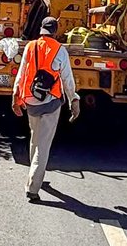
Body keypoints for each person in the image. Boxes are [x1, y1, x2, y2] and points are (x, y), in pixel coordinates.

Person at [12, 15, 80, 202]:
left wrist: (15, 97)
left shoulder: (30, 46)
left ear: (41, 29)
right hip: (51, 103)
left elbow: (22, 72)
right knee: (43, 145)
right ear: (55, 31)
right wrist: (74, 100)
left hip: (31, 102)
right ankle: (33, 187)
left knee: (35, 139)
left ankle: (33, 176)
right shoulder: (60, 50)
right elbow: (67, 79)